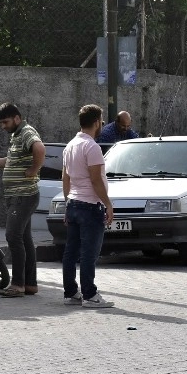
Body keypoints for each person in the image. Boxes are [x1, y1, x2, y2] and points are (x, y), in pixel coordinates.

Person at [0, 103, 45, 298]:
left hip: (23, 195)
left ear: (17, 118)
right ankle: (30, 284)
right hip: (18, 195)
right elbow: (9, 162)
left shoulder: (26, 132)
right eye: (1, 123)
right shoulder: (16, 136)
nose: (3, 126)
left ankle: (18, 284)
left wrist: (33, 170)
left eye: (5, 122)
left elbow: (40, 148)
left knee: (13, 236)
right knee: (25, 239)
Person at [62, 104, 115, 308]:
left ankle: (70, 292)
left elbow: (65, 179)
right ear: (95, 123)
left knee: (71, 252)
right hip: (90, 206)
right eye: (101, 122)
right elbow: (96, 180)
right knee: (88, 254)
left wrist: (68, 203)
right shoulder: (92, 147)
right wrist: (108, 204)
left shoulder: (70, 145)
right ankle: (90, 295)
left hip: (74, 203)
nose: (101, 125)